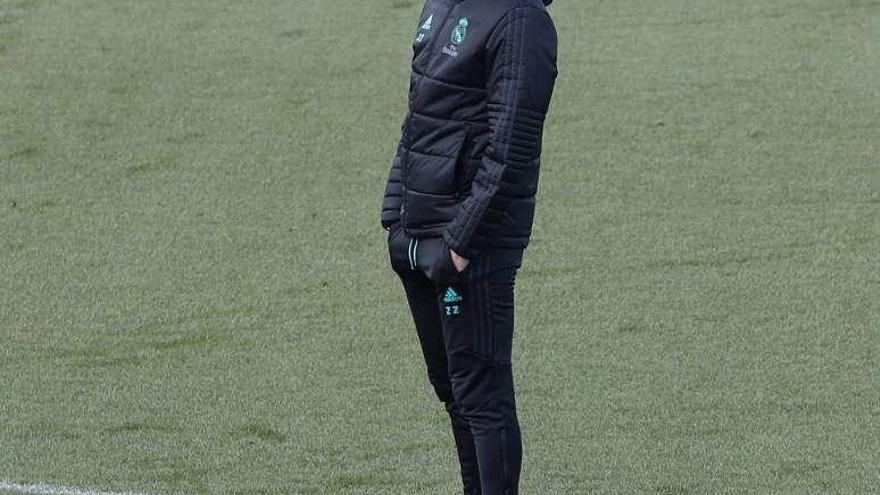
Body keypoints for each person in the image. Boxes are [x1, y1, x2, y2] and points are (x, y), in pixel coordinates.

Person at [380, 0, 557, 493]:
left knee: (484, 399)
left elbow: (512, 147)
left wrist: (459, 244)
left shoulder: (522, 21)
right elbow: (419, 117)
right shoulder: (442, 5)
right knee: (455, 395)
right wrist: (394, 215)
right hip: (417, 235)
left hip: (472, 246)